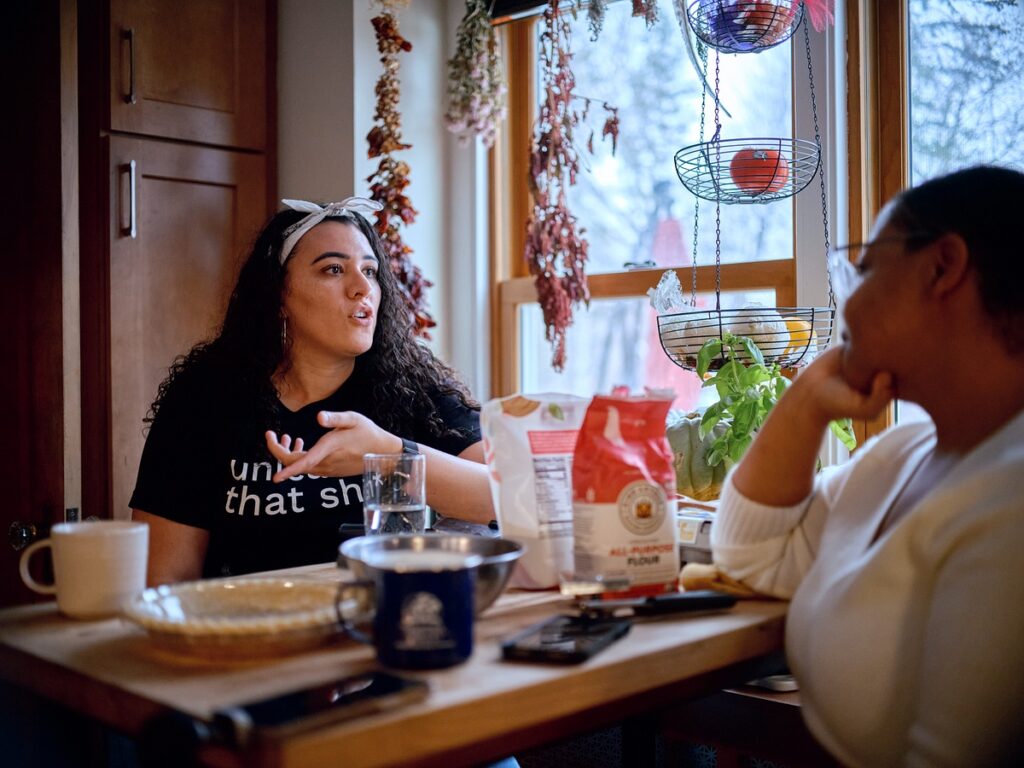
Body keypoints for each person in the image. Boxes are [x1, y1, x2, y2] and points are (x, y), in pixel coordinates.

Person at [710, 166, 1024, 767]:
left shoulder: (1010, 503)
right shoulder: (904, 453)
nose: (845, 295)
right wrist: (804, 402)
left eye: (865, 269)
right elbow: (754, 560)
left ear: (943, 267)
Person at [131, 198, 494, 584]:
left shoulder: (413, 389)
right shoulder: (201, 401)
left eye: (370, 271)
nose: (362, 288)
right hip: (249, 630)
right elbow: (165, 579)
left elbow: (510, 496)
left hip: (380, 623)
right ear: (278, 296)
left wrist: (390, 453)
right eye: (334, 269)